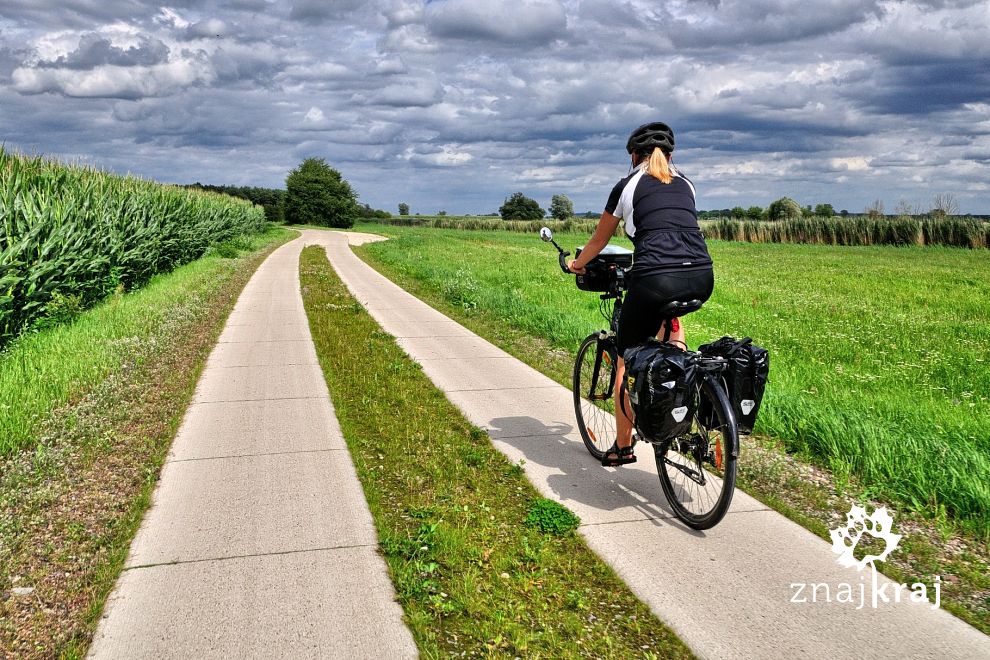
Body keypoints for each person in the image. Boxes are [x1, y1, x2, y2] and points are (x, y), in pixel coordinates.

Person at [567, 122, 714, 467]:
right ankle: (677, 400)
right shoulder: (686, 184)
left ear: (634, 156)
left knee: (625, 358)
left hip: (655, 279)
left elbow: (599, 240)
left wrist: (577, 264)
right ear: (671, 155)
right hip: (701, 276)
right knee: (673, 343)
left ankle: (622, 447)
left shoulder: (627, 185)